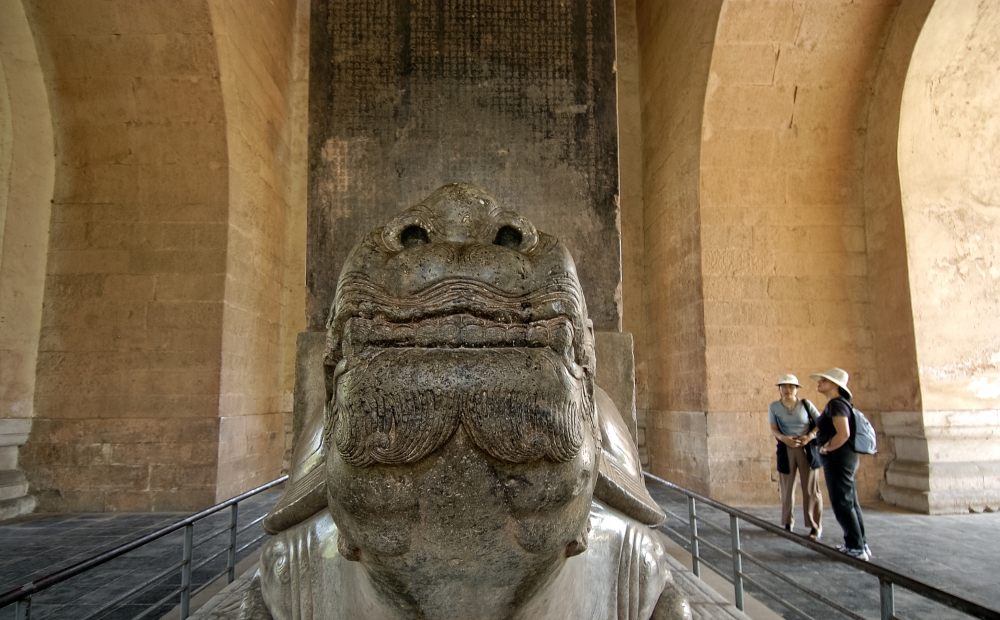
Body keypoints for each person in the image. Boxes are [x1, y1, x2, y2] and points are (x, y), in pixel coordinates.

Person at [811, 367, 871, 561]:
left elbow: (843, 433)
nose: (819, 383)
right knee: (850, 501)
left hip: (838, 458)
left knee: (842, 502)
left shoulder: (837, 405)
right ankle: (859, 543)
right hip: (844, 457)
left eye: (823, 381)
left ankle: (855, 546)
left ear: (835, 385)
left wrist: (826, 448)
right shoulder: (838, 404)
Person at [768, 374, 823, 540]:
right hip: (787, 447)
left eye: (791, 387)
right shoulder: (774, 407)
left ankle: (814, 525)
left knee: (810, 488)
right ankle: (787, 522)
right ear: (779, 389)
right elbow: (774, 428)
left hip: (806, 447)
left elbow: (820, 424)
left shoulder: (805, 405)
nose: (787, 390)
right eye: (784, 387)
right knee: (787, 487)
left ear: (797, 389)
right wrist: (784, 438)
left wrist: (809, 437)